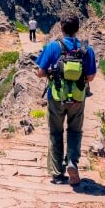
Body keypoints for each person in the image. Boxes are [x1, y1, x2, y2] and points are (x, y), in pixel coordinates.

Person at [35, 13, 97, 185]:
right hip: (78, 97)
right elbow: (91, 76)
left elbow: (40, 72)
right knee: (75, 131)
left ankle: (57, 174)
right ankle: (72, 162)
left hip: (56, 97)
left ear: (61, 28)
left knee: (56, 133)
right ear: (78, 29)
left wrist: (51, 72)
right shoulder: (86, 49)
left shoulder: (52, 47)